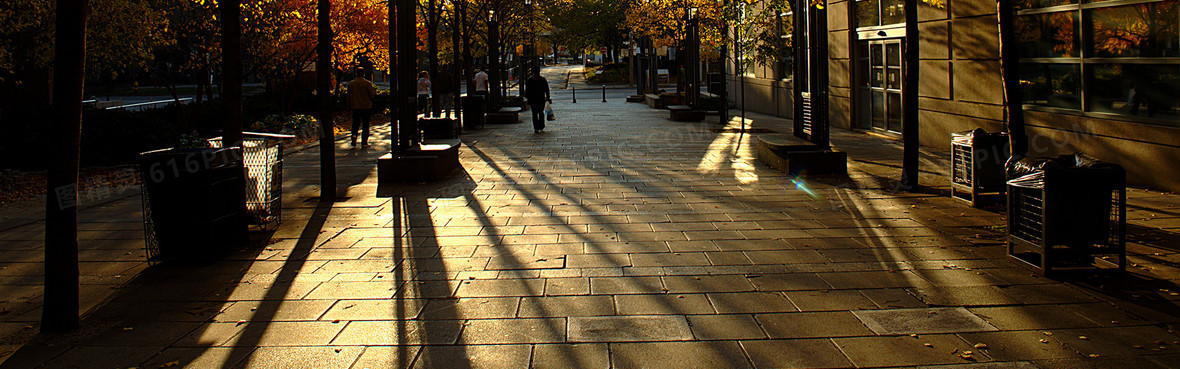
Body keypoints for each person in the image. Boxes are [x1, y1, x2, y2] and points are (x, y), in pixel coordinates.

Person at [347, 68, 376, 148]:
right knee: (365, 125)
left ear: (356, 73)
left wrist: (349, 106)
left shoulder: (351, 84)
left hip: (355, 106)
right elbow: (371, 95)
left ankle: (354, 135)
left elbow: (349, 96)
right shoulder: (367, 83)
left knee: (355, 123)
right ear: (363, 73)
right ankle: (364, 142)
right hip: (366, 106)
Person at [524, 66, 550, 133]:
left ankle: (536, 127)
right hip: (541, 99)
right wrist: (548, 97)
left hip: (533, 99)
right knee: (541, 112)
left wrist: (528, 98)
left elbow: (527, 91)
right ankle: (541, 125)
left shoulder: (530, 80)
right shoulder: (542, 79)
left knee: (534, 113)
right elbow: (546, 89)